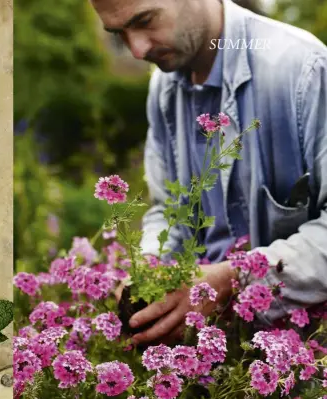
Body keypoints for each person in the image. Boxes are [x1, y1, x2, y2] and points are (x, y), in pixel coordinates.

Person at [88, 0, 327, 344]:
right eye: (119, 34)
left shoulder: (302, 68)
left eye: (145, 21)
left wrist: (234, 279)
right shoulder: (164, 88)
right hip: (212, 357)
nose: (137, 50)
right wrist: (152, 269)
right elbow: (167, 208)